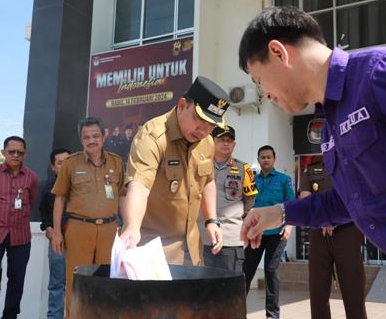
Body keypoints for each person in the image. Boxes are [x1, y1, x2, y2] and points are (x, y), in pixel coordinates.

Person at [238, 6, 386, 318]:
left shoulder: (382, 74)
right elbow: (350, 201)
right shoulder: (330, 127)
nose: (265, 95)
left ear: (278, 52)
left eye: (259, 80)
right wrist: (280, 212)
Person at [119, 76, 231, 265]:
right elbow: (139, 186)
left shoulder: (207, 142)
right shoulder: (152, 137)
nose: (203, 130)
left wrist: (212, 221)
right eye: (199, 119)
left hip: (191, 249)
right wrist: (131, 227)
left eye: (211, 125)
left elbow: (208, 181)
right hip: (154, 251)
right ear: (182, 105)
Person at [51, 117, 125, 318]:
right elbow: (59, 199)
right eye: (86, 137)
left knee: (106, 281)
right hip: (78, 228)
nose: (91, 140)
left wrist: (127, 228)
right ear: (81, 140)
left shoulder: (117, 163)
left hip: (109, 230)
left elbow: (123, 196)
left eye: (95, 136)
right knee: (75, 282)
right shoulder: (70, 163)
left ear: (104, 136)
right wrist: (57, 232)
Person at [0, 136, 39, 319]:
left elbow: (32, 201)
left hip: (20, 236)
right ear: (3, 152)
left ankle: (10, 316)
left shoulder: (32, 178)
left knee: (16, 281)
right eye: (11, 151)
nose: (16, 155)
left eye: (20, 152)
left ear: (25, 154)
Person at [300, 159, 366, 319]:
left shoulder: (354, 165)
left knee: (353, 291)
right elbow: (305, 199)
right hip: (318, 234)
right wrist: (324, 218)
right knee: (318, 291)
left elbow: (360, 199)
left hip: (347, 231)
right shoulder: (311, 170)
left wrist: (334, 218)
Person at [243, 145, 295, 319]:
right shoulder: (251, 180)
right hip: (255, 233)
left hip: (276, 233)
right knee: (247, 270)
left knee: (270, 270)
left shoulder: (284, 179)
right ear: (258, 160)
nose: (265, 159)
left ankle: (272, 314)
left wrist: (289, 226)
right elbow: (245, 204)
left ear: (274, 159)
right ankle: (237, 308)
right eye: (262, 157)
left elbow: (291, 204)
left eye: (268, 157)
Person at [198, 126, 257, 272]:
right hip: (201, 237)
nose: (226, 143)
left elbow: (249, 199)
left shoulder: (244, 168)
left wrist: (244, 226)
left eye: (229, 140)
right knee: (202, 289)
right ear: (212, 141)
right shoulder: (199, 165)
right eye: (221, 140)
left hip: (231, 238)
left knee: (229, 288)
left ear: (234, 145)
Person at [39, 148, 71, 319]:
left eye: (68, 161)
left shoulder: (81, 185)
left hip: (80, 240)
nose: (65, 166)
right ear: (53, 167)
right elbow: (43, 210)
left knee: (78, 284)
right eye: (60, 163)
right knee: (57, 285)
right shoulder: (47, 187)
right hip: (57, 241)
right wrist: (48, 228)